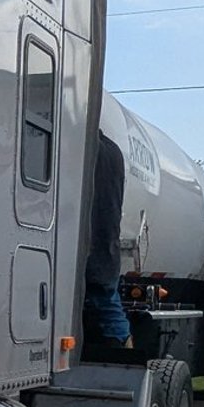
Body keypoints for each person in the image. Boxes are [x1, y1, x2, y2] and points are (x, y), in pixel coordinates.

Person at [83, 130, 133, 353]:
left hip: (90, 247)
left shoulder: (87, 148)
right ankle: (124, 353)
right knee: (109, 304)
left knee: (106, 304)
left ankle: (122, 350)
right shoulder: (114, 151)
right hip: (106, 247)